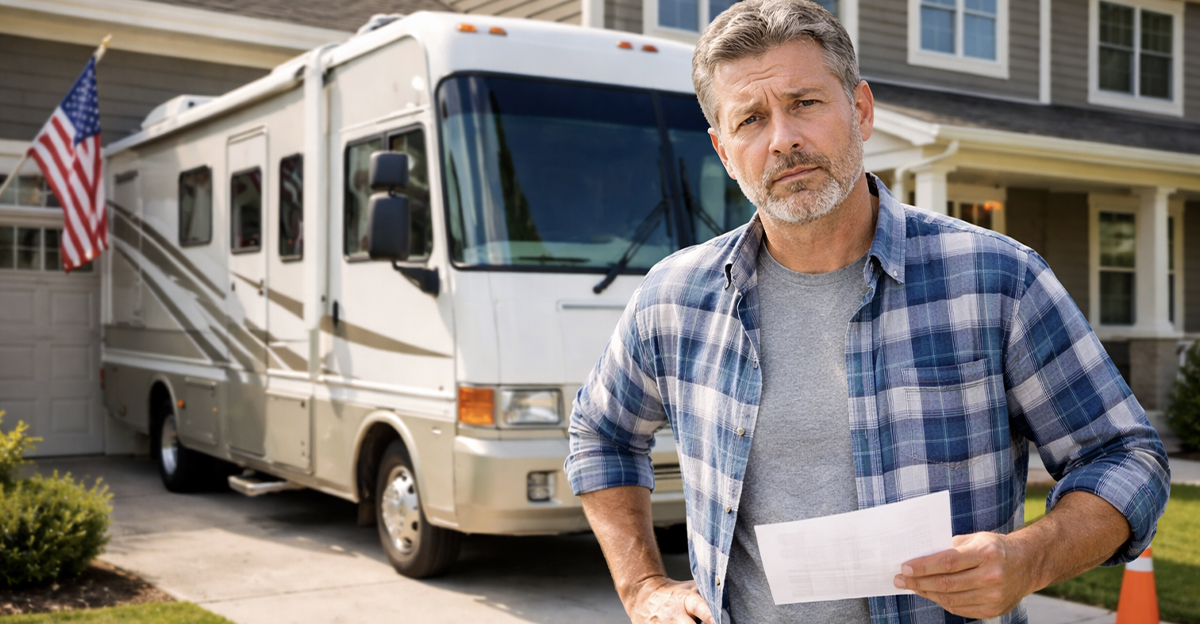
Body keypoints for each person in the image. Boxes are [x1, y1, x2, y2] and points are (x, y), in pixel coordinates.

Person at [563, 1, 1171, 622]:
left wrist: (1030, 558)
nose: (783, 140)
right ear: (723, 150)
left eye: (805, 103)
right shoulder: (675, 296)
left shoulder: (996, 279)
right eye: (750, 119)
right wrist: (643, 587)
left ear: (860, 110)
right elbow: (600, 434)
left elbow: (1126, 456)